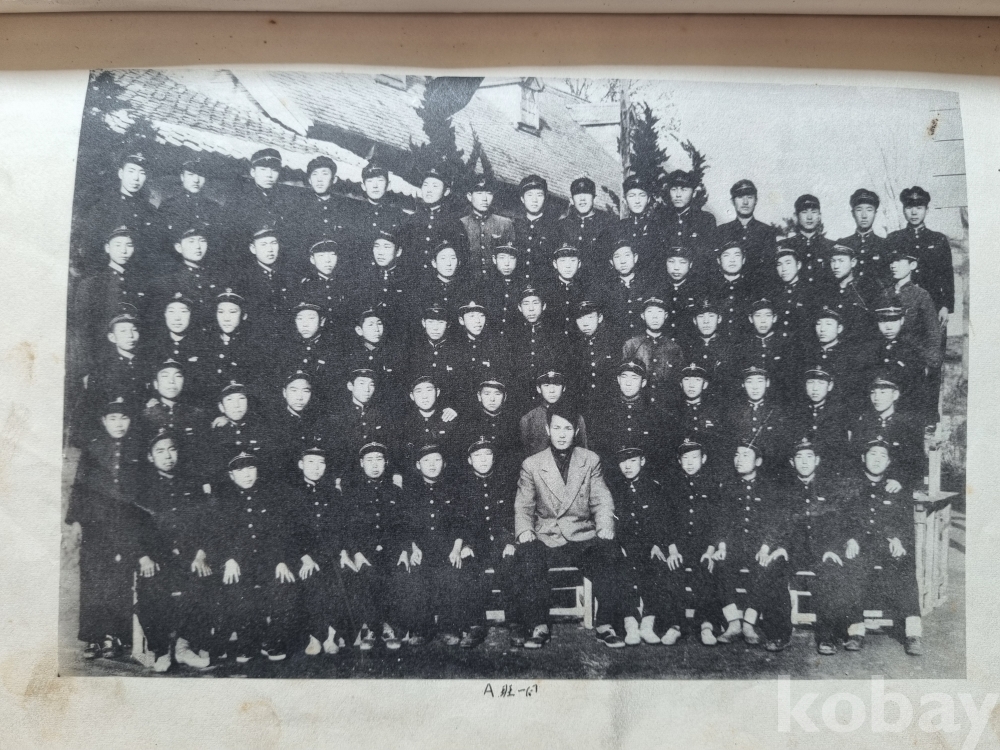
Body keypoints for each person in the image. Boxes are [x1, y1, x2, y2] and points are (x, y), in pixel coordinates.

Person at [512, 405, 628, 649]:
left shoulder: (590, 460)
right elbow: (523, 505)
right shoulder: (532, 464)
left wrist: (604, 526)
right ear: (547, 430)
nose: (562, 434)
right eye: (557, 428)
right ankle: (538, 625)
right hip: (547, 535)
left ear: (576, 431)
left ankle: (606, 624)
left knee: (610, 552)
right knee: (528, 556)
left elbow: (602, 499)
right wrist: (524, 530)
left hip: (581, 535)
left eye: (567, 428)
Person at [65, 397, 142, 660]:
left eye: (124, 418)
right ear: (103, 421)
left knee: (120, 579)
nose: (119, 424)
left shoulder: (138, 449)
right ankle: (93, 637)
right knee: (93, 580)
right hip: (95, 525)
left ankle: (115, 635)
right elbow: (79, 488)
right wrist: (76, 521)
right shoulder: (92, 449)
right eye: (113, 419)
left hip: (126, 525)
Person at [133, 430, 214, 671]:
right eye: (160, 451)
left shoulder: (192, 483)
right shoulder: (141, 488)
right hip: (156, 558)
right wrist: (143, 557)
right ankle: (161, 650)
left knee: (204, 581)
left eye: (172, 450)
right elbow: (130, 528)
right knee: (151, 590)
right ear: (150, 457)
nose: (167, 456)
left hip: (190, 555)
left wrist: (201, 554)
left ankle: (183, 647)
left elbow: (207, 524)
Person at [211, 450, 298, 663]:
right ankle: (248, 641)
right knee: (237, 588)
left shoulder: (271, 498)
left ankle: (274, 640)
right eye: (240, 470)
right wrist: (228, 559)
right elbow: (218, 536)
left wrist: (280, 560)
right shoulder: (222, 500)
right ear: (231, 475)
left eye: (251, 468)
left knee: (284, 585)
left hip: (267, 561)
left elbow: (279, 533)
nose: (247, 474)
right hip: (238, 563)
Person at [844, 438, 924, 655]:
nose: (877, 460)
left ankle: (913, 633)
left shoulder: (896, 488)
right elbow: (845, 519)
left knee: (905, 566)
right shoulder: (851, 486)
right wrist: (850, 539)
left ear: (889, 462)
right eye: (872, 454)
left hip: (886, 545)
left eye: (882, 456)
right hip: (861, 545)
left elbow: (904, 523)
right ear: (863, 458)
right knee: (852, 564)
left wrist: (898, 539)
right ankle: (855, 631)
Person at [783, 437, 862, 655]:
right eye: (799, 457)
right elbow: (780, 523)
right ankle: (778, 633)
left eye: (809, 457)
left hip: (822, 551)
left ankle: (826, 637)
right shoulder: (785, 490)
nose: (804, 462)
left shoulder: (830, 489)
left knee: (830, 572)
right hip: (794, 552)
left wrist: (832, 548)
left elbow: (838, 523)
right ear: (792, 462)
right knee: (775, 568)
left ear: (817, 460)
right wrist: (780, 547)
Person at [715, 440, 792, 651]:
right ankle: (733, 623)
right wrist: (721, 547)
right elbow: (722, 521)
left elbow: (776, 522)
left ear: (758, 461)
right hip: (735, 547)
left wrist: (766, 547)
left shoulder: (770, 488)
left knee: (766, 566)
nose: (739, 460)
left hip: (760, 547)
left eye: (745, 455)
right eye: (736, 455)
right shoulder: (728, 487)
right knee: (720, 564)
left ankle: (749, 623)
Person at [451, 436, 519, 649]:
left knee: (510, 565)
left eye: (487, 454)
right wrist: (465, 545)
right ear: (469, 460)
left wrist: (511, 541)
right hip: (476, 544)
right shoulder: (462, 486)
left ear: (494, 457)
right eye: (477, 455)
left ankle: (515, 623)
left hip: (501, 541)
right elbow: (460, 520)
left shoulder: (505, 482)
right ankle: (475, 625)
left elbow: (514, 515)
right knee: (468, 567)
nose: (482, 459)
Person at [341, 442, 408, 651]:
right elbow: (347, 528)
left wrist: (404, 550)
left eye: (379, 459)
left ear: (386, 463)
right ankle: (370, 628)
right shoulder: (351, 493)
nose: (375, 465)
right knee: (367, 576)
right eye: (369, 460)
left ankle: (390, 626)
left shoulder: (396, 492)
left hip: (392, 551)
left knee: (396, 575)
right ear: (361, 463)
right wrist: (356, 553)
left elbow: (404, 525)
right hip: (364, 552)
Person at [286, 445, 351, 657]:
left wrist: (339, 553)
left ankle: (331, 636)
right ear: (301, 464)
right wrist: (305, 558)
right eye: (311, 462)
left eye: (321, 463)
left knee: (337, 578)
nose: (316, 467)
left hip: (328, 554)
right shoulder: (291, 494)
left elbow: (340, 529)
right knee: (312, 580)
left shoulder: (333, 494)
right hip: (301, 555)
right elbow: (289, 532)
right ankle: (314, 636)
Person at [659, 438, 725, 646]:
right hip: (678, 546)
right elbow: (666, 521)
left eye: (694, 458)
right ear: (679, 461)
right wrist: (672, 550)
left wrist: (710, 550)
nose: (689, 462)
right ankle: (675, 625)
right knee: (672, 570)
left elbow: (717, 522)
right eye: (685, 458)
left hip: (703, 546)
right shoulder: (671, 486)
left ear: (703, 459)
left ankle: (706, 624)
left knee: (707, 569)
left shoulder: (713, 486)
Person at [607, 445, 668, 646]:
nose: (627, 466)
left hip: (649, 545)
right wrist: (618, 545)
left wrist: (658, 544)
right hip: (624, 545)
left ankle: (648, 624)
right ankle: (631, 624)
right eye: (623, 461)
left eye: (633, 460)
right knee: (621, 571)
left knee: (656, 569)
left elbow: (662, 520)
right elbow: (610, 520)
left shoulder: (654, 487)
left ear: (642, 461)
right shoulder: (614, 489)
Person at [882, 246, 944, 426]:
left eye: (899, 261)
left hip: (912, 359)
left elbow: (933, 332)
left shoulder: (921, 295)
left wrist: (929, 364)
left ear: (912, 265)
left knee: (909, 410)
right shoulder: (884, 294)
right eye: (892, 261)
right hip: (886, 358)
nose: (893, 265)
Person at [886, 186, 955, 328]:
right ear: (903, 210)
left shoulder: (938, 239)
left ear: (927, 210)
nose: (914, 212)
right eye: (909, 207)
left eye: (919, 207)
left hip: (933, 305)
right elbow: (887, 275)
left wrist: (945, 306)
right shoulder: (893, 239)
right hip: (902, 305)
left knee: (933, 340)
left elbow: (947, 276)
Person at [400, 167, 466, 279]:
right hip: (411, 282)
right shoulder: (410, 221)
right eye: (425, 185)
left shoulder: (454, 223)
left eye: (435, 186)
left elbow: (461, 259)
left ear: (446, 191)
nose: (429, 190)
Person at [621, 294, 685, 407]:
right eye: (650, 312)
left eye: (659, 312)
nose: (655, 317)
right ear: (642, 316)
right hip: (639, 407)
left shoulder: (674, 348)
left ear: (666, 316)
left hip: (666, 407)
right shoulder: (631, 345)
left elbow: (678, 383)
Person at [714, 179, 777, 286]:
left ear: (756, 200)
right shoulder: (721, 231)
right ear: (732, 201)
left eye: (750, 197)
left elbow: (770, 269)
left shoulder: (767, 232)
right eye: (740, 197)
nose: (745, 202)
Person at [519, 370, 589, 457]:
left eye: (557, 385)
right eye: (546, 385)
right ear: (538, 389)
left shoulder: (576, 417)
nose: (552, 390)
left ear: (564, 388)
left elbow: (584, 454)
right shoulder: (528, 419)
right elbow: (524, 456)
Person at [661, 169, 717, 275]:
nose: (678, 194)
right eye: (674, 189)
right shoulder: (660, 219)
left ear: (694, 193)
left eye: (684, 189)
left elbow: (708, 259)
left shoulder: (705, 220)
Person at [459, 174, 515, 280]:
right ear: (469, 196)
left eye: (489, 193)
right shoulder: (461, 224)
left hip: (496, 283)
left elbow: (511, 258)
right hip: (468, 283)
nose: (484, 199)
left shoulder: (505, 223)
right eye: (479, 193)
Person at [570, 299, 619, 416]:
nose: (585, 323)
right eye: (580, 318)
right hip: (583, 407)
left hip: (610, 407)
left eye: (590, 317)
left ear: (600, 318)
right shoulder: (573, 347)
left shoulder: (613, 343)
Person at [558, 177, 614, 273]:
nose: (582, 199)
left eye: (587, 194)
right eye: (578, 194)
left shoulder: (607, 225)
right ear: (571, 200)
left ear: (594, 198)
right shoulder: (561, 226)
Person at [512, 174, 560, 282]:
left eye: (539, 195)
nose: (534, 200)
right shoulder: (514, 225)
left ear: (545, 198)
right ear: (522, 199)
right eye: (529, 195)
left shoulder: (555, 228)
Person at [836, 189, 889, 286]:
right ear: (853, 213)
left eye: (869, 210)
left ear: (875, 213)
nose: (864, 215)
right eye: (859, 210)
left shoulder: (885, 244)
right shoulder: (843, 244)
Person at [781, 194, 835, 287]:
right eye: (804, 212)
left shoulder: (831, 246)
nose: (809, 217)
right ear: (795, 216)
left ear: (819, 216)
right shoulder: (784, 246)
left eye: (814, 212)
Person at [481, 243, 523, 342]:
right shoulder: (483, 287)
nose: (507, 263)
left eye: (511, 258)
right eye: (502, 257)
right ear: (494, 259)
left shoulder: (522, 286)